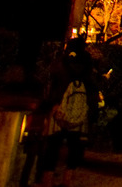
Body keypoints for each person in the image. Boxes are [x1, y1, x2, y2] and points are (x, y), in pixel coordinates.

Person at [36, 39, 97, 187]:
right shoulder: (87, 64)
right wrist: (92, 111)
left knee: (52, 145)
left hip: (59, 108)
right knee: (74, 147)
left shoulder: (61, 63)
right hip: (79, 110)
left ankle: (47, 179)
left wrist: (50, 104)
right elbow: (92, 87)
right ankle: (67, 179)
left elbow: (52, 82)